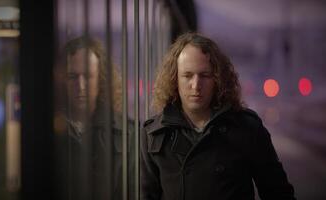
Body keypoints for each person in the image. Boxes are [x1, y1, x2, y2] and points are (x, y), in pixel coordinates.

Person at [140, 32, 296, 200]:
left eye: (205, 75)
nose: (196, 85)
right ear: (174, 79)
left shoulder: (247, 128)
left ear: (218, 79)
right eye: (187, 75)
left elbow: (279, 194)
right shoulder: (154, 135)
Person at [58, 36, 133, 200]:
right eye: (72, 77)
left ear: (101, 79)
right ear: (61, 80)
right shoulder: (49, 131)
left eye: (87, 76)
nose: (81, 86)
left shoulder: (128, 133)